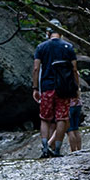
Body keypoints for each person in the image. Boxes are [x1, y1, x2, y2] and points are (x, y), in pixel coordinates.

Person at [32, 21, 81, 158]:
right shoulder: (68, 47)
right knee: (62, 118)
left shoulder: (41, 47)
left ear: (48, 33)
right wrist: (76, 89)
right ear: (61, 33)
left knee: (45, 119)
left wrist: (35, 88)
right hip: (64, 89)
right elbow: (74, 70)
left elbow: (36, 68)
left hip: (47, 87)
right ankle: (57, 150)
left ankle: (45, 148)